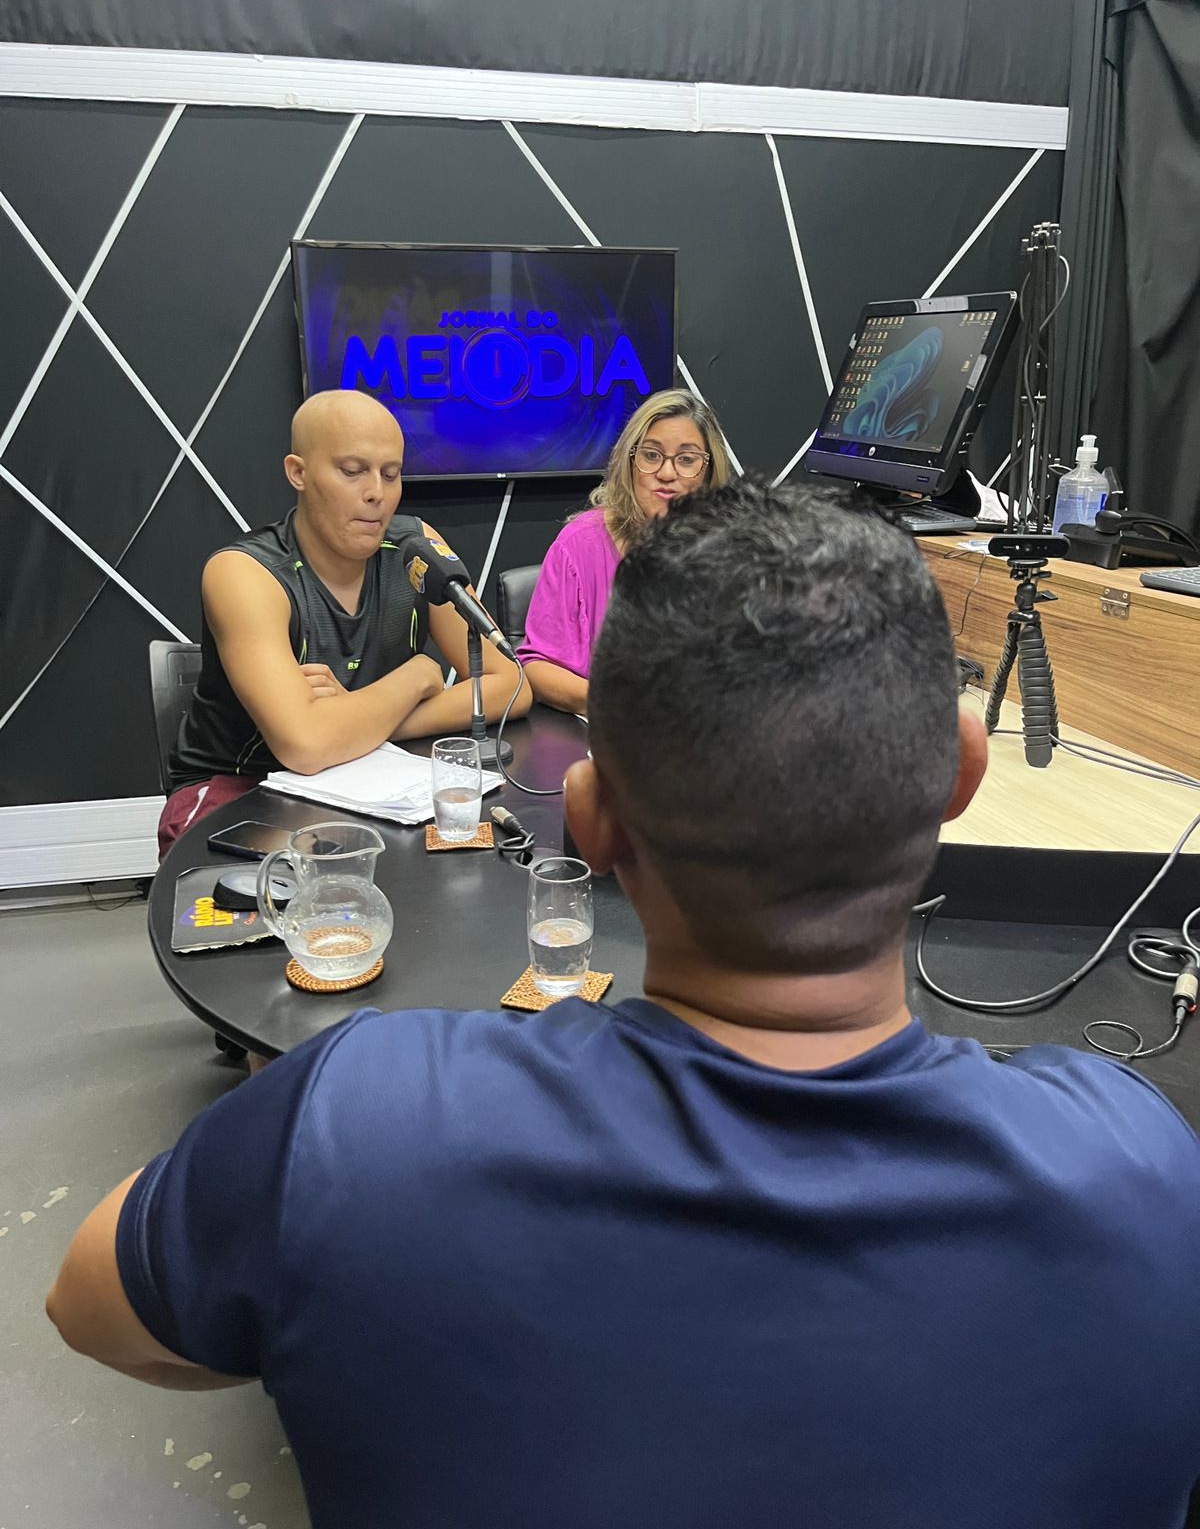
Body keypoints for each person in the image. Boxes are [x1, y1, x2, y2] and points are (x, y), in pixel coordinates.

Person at [48, 479, 1200, 1529]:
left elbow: (90, 1304)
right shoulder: (1146, 1177)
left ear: (590, 819)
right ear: (962, 770)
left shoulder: (358, 1127)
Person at [158, 389, 530, 857]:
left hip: (370, 773)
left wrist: (358, 721)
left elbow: (511, 684)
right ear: (298, 473)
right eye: (353, 471)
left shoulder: (415, 547)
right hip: (240, 789)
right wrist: (418, 676)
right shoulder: (243, 572)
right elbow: (306, 744)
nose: (376, 492)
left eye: (391, 474)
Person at [518, 387, 732, 713]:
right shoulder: (579, 545)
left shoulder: (729, 551)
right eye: (651, 455)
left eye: (687, 460)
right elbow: (537, 667)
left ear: (708, 472)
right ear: (629, 462)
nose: (667, 473)